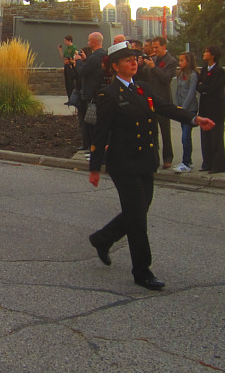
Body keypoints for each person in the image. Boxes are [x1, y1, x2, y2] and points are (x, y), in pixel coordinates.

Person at [87, 42, 214, 290]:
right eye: (127, 60)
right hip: (123, 163)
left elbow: (165, 107)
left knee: (140, 210)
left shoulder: (143, 89)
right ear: (115, 67)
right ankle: (142, 270)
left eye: (135, 59)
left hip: (145, 160)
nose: (134, 62)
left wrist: (193, 118)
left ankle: (102, 238)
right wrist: (95, 168)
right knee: (137, 218)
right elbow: (100, 134)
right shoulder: (108, 95)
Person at [142, 36, 178, 169]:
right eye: (153, 47)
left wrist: (153, 68)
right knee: (152, 130)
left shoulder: (171, 61)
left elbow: (166, 78)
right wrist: (143, 65)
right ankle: (153, 156)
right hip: (151, 98)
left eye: (157, 47)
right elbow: (145, 76)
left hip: (163, 99)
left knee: (165, 130)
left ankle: (168, 157)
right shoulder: (154, 59)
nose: (155, 50)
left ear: (164, 46)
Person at [196, 45, 225, 174]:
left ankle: (218, 165)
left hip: (216, 109)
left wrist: (203, 86)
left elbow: (212, 88)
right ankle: (207, 163)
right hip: (205, 108)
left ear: (213, 55)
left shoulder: (219, 71)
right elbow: (199, 86)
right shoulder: (204, 69)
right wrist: (203, 86)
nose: (204, 53)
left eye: (207, 52)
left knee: (216, 139)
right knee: (206, 137)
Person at [75, 32, 105, 155]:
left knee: (91, 123)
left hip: (92, 95)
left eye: (89, 41)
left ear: (93, 42)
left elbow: (82, 72)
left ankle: (93, 150)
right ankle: (93, 148)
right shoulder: (104, 55)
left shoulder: (94, 57)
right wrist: (85, 60)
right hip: (99, 92)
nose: (88, 43)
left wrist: (78, 62)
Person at [170, 51, 199, 172]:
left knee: (185, 136)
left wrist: (184, 108)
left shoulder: (193, 75)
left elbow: (191, 93)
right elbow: (177, 90)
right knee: (185, 136)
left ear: (188, 62)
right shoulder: (181, 74)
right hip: (181, 108)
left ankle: (186, 162)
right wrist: (177, 106)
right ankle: (188, 161)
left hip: (189, 109)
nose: (180, 63)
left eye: (182, 60)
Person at [57, 35, 79, 102]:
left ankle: (73, 99)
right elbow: (63, 57)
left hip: (71, 66)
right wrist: (60, 50)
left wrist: (69, 60)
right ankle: (69, 98)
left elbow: (75, 57)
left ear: (69, 41)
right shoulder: (66, 49)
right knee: (67, 83)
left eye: (66, 41)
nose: (65, 42)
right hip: (66, 66)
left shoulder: (73, 48)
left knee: (71, 83)